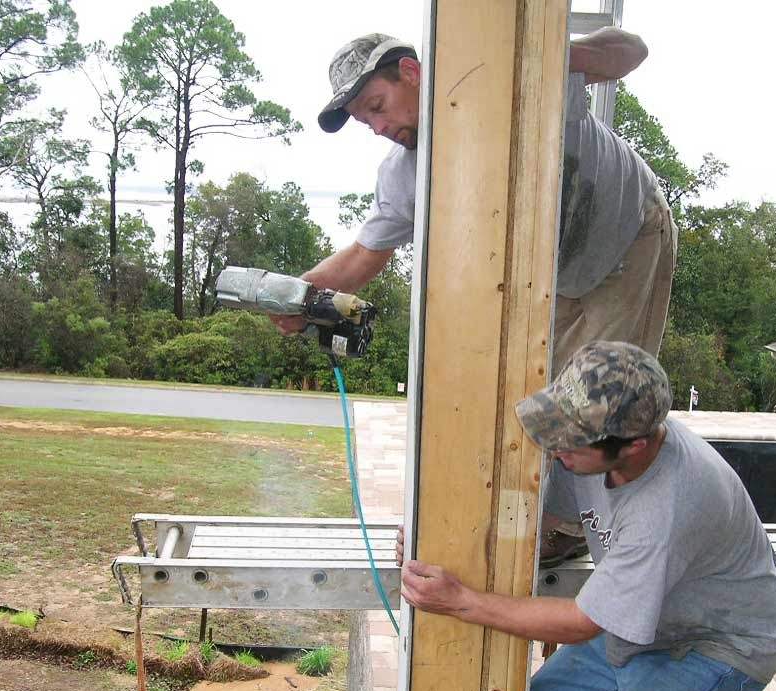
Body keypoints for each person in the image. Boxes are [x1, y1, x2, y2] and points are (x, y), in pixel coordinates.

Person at [282, 28, 678, 565]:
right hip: (555, 267)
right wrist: (295, 299)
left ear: (413, 72)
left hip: (628, 232)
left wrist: (546, 53)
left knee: (606, 392)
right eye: (365, 121)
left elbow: (633, 52)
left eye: (377, 106)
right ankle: (539, 514)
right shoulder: (403, 175)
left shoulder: (513, 82)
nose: (378, 128)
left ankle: (588, 527)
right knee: (542, 391)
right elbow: (362, 257)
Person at [398, 340, 776, 691]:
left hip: (715, 644)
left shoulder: (664, 510)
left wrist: (461, 601)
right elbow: (530, 523)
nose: (555, 451)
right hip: (643, 624)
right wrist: (433, 539)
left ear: (634, 445)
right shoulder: (594, 453)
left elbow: (581, 622)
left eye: (570, 442)